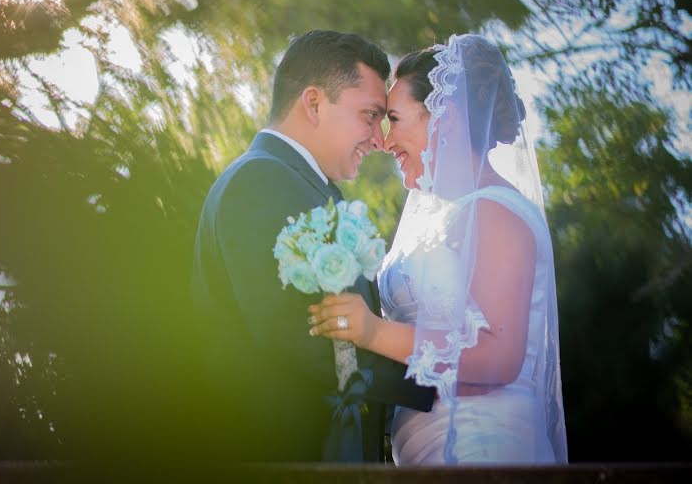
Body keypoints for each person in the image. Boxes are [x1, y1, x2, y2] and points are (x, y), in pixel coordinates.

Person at [308, 34, 568, 465]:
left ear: (444, 117)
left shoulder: (496, 213)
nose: (385, 142)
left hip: (483, 454)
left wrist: (371, 331)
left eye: (395, 118)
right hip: (424, 455)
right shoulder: (444, 215)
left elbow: (498, 356)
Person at [191, 30, 435, 463]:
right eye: (369, 115)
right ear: (314, 103)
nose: (379, 140)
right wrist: (438, 378)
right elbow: (293, 334)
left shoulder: (305, 188)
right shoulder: (259, 181)